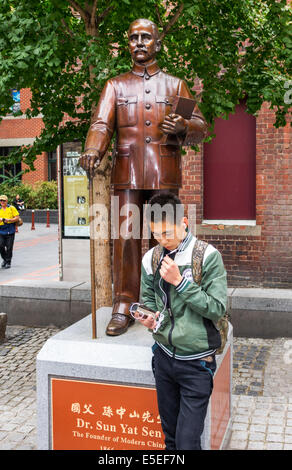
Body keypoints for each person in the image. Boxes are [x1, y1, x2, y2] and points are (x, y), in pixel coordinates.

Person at [79, 18, 207, 336]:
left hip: (165, 172)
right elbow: (100, 125)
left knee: (166, 238)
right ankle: (124, 305)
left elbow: (200, 128)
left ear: (156, 44)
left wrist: (184, 127)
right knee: (125, 239)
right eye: (133, 37)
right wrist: (93, 149)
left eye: (145, 37)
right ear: (128, 43)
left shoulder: (176, 85)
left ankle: (167, 303)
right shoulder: (115, 85)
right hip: (127, 173)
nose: (139, 42)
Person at [135, 192, 227, 450]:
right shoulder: (150, 258)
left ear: (184, 222)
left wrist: (180, 282)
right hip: (163, 358)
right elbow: (150, 299)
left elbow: (217, 308)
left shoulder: (207, 256)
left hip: (197, 363)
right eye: (155, 234)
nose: (162, 240)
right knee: (171, 439)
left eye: (167, 233)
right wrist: (150, 317)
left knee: (187, 443)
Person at [0, 195, 19, 269]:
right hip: (1, 230)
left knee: (9, 247)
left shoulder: (11, 208)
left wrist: (10, 220)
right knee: (0, 246)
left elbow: (17, 217)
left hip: (10, 229)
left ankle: (8, 262)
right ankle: (4, 259)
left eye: (4, 200)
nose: (2, 202)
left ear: (7, 201)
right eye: (1, 200)